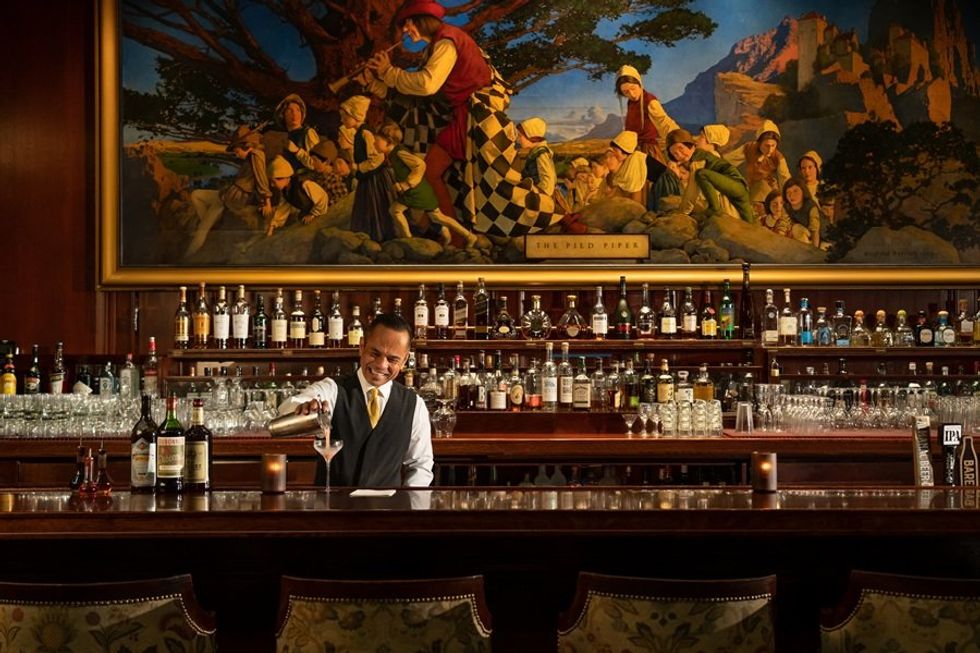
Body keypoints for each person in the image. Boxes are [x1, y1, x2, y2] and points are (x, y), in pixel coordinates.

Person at [360, 0, 563, 237]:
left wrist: (387, 72)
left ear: (421, 22)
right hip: (463, 120)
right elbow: (423, 98)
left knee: (500, 186)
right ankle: (458, 235)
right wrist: (375, 83)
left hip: (480, 122)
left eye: (408, 24)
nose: (405, 31)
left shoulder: (447, 42)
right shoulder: (436, 46)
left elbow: (426, 85)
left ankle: (561, 218)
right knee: (436, 172)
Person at [278, 312, 433, 487]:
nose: (381, 365)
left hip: (388, 511)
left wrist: (409, 508)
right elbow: (288, 407)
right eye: (375, 353)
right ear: (361, 346)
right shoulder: (333, 389)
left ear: (404, 361)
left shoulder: (415, 405)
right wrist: (304, 409)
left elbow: (420, 466)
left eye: (392, 359)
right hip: (333, 510)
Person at [374, 121, 478, 247]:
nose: (374, 143)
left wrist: (407, 184)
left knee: (436, 217)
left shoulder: (399, 152)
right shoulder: (392, 155)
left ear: (389, 142)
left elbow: (420, 164)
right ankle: (448, 236)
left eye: (377, 140)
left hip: (418, 192)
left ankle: (467, 236)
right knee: (432, 217)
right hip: (413, 192)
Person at [187, 124, 271, 257]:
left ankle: (190, 254)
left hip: (236, 197)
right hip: (229, 194)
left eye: (237, 151)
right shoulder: (251, 157)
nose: (237, 155)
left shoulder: (256, 155)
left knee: (203, 227)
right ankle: (212, 227)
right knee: (196, 195)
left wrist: (266, 201)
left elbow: (261, 179)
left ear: (245, 145)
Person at [614, 64, 679, 204]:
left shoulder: (650, 101)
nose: (631, 94)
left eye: (632, 89)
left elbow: (664, 123)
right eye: (625, 92)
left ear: (639, 83)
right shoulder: (631, 103)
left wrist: (679, 140)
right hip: (633, 151)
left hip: (648, 151)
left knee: (648, 189)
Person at [666, 128, 756, 224]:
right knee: (748, 221)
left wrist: (683, 212)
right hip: (734, 190)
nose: (679, 154)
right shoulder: (695, 158)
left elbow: (692, 191)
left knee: (701, 174)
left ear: (691, 146)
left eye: (681, 148)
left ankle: (714, 208)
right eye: (675, 153)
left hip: (735, 185)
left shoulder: (698, 160)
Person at [344, 95, 398, 242]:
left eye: (345, 116)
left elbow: (377, 157)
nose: (342, 119)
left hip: (376, 178)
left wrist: (359, 166)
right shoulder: (360, 132)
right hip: (368, 177)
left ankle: (381, 238)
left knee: (378, 206)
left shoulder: (366, 133)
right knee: (366, 207)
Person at [725, 119, 791, 203]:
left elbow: (785, 178)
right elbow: (730, 159)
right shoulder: (749, 148)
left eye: (773, 145)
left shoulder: (778, 157)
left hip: (770, 192)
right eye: (766, 146)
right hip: (752, 189)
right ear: (759, 143)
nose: (770, 149)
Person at [265, 155, 329, 236]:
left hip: (321, 215)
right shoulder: (285, 191)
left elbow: (323, 198)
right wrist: (272, 226)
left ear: (285, 178)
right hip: (306, 217)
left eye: (273, 182)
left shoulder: (304, 184)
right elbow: (282, 209)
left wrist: (313, 214)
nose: (272, 185)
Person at [275, 93, 320, 177]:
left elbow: (316, 165)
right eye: (290, 110)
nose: (294, 114)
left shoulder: (308, 133)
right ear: (283, 115)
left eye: (297, 110)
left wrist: (297, 151)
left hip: (306, 180)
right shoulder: (284, 136)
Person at [604, 130, 647, 204]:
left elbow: (635, 191)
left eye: (615, 150)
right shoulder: (624, 164)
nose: (613, 153)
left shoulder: (634, 162)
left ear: (625, 153)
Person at [517, 117, 556, 196]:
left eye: (520, 136)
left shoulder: (541, 153)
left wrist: (536, 196)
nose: (518, 139)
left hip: (540, 198)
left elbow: (548, 183)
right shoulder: (535, 152)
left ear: (531, 136)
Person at [783, 178, 825, 248]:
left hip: (821, 237)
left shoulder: (810, 206)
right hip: (805, 235)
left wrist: (814, 251)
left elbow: (815, 232)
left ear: (803, 191)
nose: (791, 195)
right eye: (788, 193)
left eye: (795, 191)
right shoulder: (787, 206)